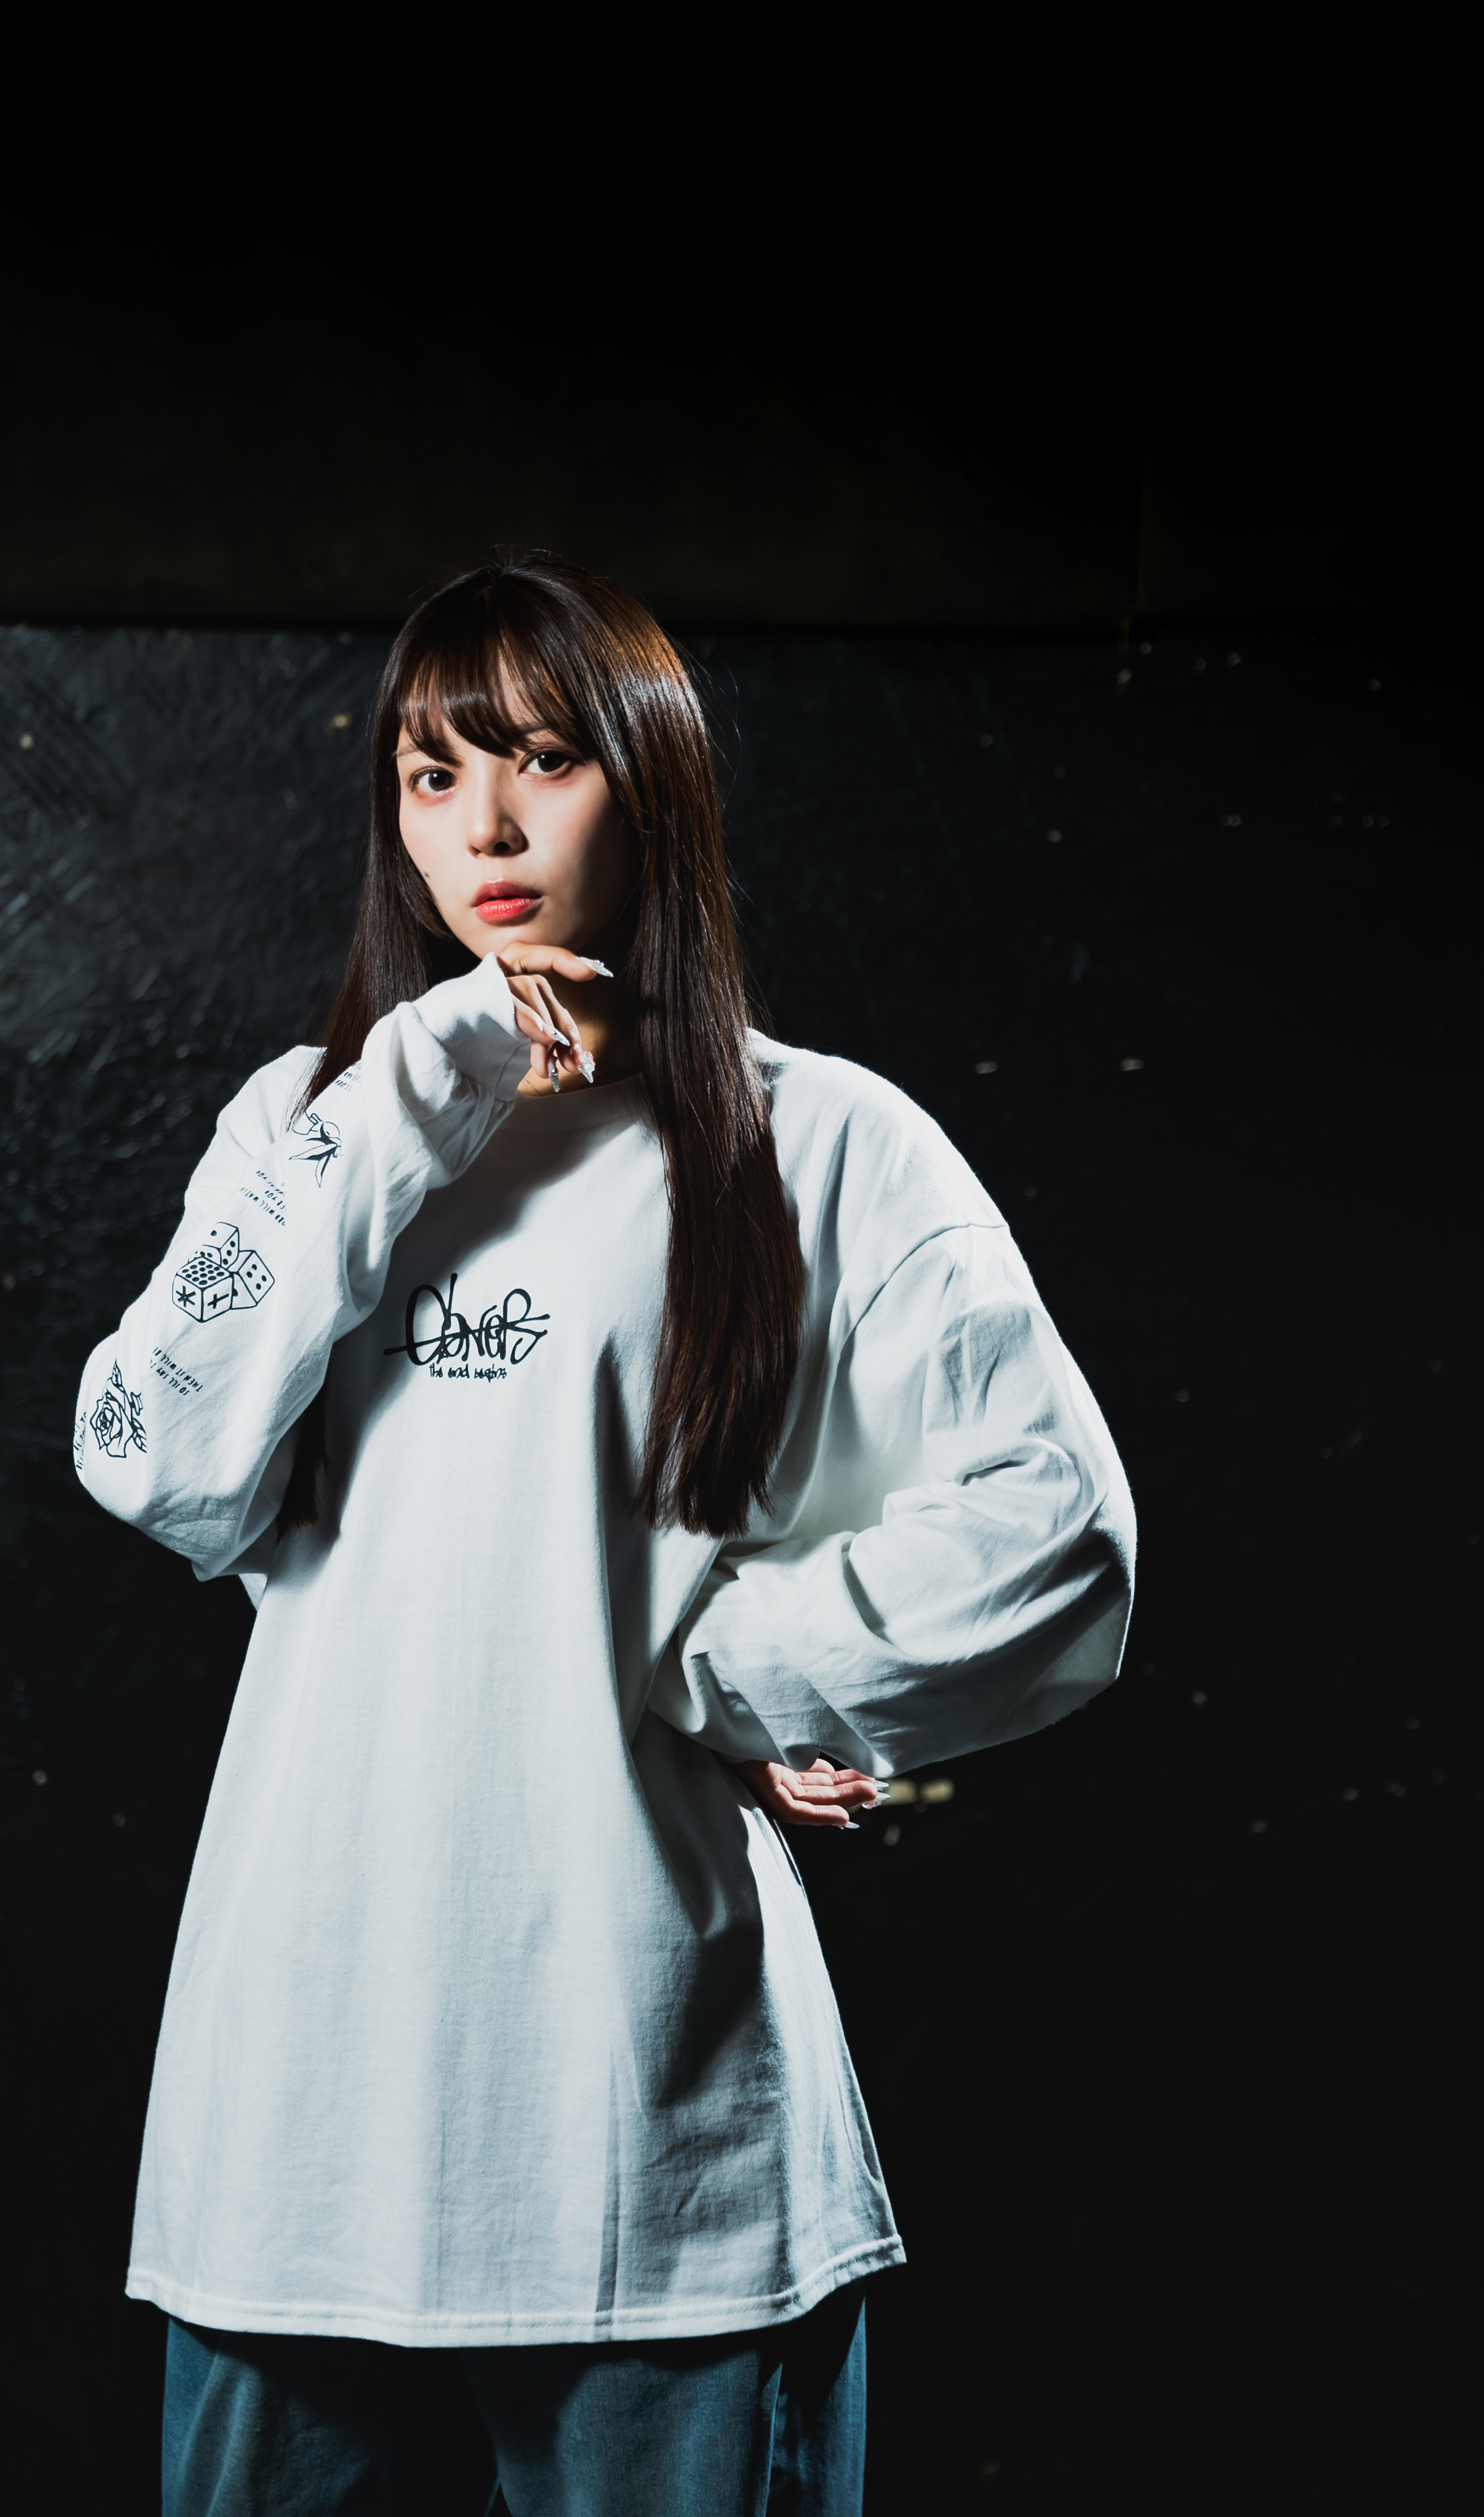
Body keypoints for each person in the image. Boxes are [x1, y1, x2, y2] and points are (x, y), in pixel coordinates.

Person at [74, 557, 1134, 2517]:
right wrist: (417, 1087)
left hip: (662, 2143)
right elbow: (155, 1461)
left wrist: (718, 1666)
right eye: (432, 773)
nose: (482, 825)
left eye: (543, 761)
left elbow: (1056, 1540)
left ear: (650, 786)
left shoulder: (825, 1143)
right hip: (296, 2134)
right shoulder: (310, 1125)